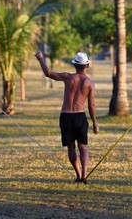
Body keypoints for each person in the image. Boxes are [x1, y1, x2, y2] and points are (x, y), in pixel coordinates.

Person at [35, 51, 99, 183]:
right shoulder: (89, 83)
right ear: (87, 65)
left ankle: (78, 174)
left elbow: (48, 73)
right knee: (83, 147)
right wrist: (95, 123)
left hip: (66, 116)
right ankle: (84, 175)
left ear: (75, 65)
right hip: (80, 116)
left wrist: (41, 59)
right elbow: (91, 105)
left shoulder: (68, 77)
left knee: (71, 147)